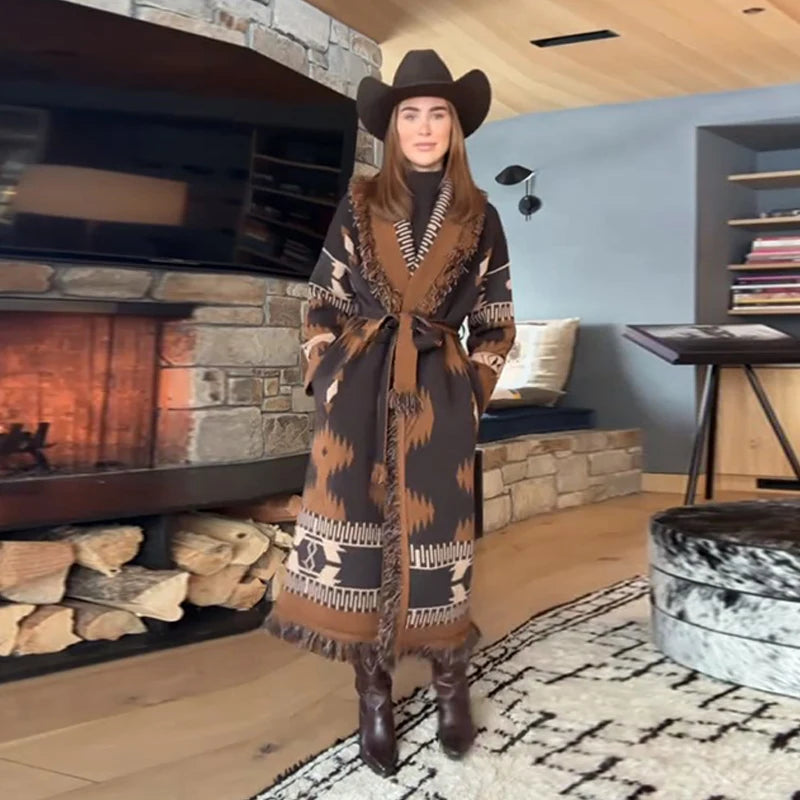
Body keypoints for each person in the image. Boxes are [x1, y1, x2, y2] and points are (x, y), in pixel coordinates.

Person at [265, 49, 516, 777]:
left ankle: (449, 682)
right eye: (411, 114)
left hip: (439, 395)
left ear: (455, 127)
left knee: (441, 538)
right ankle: (372, 692)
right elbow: (322, 301)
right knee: (362, 539)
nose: (425, 126)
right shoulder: (358, 203)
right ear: (392, 126)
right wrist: (331, 378)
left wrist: (470, 393)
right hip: (359, 391)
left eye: (438, 114)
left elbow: (497, 319)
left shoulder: (482, 216)